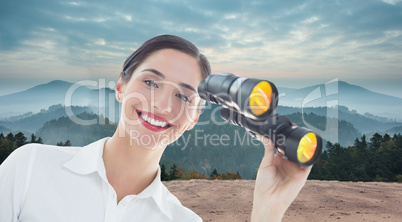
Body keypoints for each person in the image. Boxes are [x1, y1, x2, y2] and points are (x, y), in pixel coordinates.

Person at [0, 35, 311, 221]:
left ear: (194, 118)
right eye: (150, 82)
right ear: (121, 85)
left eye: (183, 96)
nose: (163, 105)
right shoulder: (29, 169)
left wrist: (267, 212)